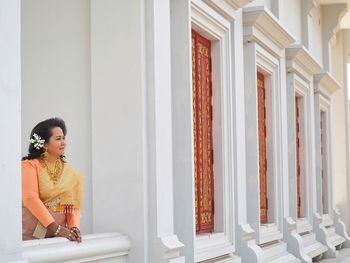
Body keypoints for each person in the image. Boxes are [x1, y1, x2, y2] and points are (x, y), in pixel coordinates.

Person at [22, 118, 83, 242]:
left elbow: (72, 204)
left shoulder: (68, 170)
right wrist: (57, 228)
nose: (63, 142)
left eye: (63, 138)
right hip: (32, 235)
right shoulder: (29, 166)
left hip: (59, 237)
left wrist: (74, 227)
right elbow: (30, 198)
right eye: (58, 139)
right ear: (44, 144)